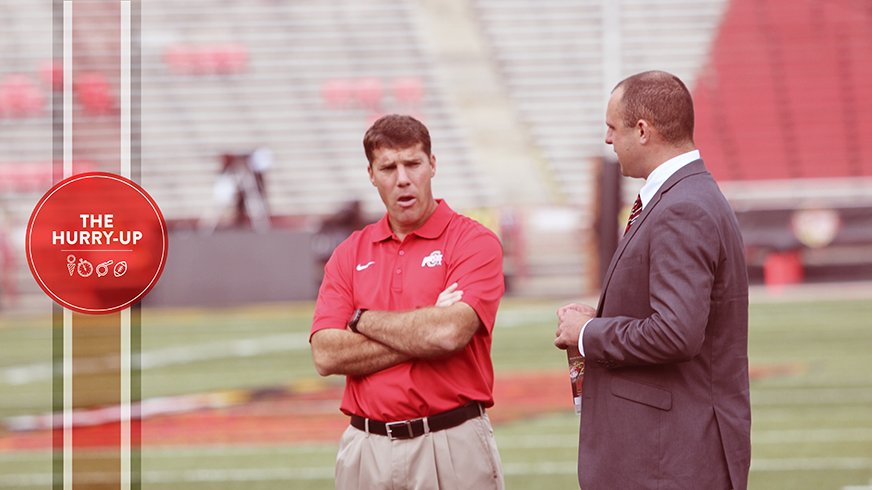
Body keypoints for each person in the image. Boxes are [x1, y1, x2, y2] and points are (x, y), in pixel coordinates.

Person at [554, 71, 751, 489]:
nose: (608, 140)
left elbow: (677, 333)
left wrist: (589, 333)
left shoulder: (683, 207)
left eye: (613, 127)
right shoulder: (685, 196)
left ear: (643, 131)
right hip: (666, 452)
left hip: (667, 458)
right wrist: (606, 316)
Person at [310, 114, 506, 489]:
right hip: (366, 446)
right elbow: (326, 355)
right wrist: (424, 328)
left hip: (450, 440)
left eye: (413, 163)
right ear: (371, 174)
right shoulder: (349, 252)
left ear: (432, 164)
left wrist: (360, 318)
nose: (402, 178)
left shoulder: (473, 242)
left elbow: (448, 334)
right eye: (388, 167)